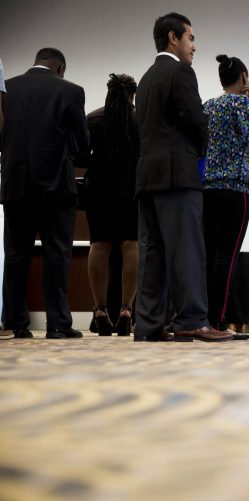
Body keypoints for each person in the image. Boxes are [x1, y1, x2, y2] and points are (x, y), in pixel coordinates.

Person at [134, 12, 233, 342]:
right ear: (173, 38)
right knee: (188, 250)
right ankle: (192, 320)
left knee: (153, 254)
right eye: (191, 38)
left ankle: (148, 325)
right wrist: (201, 151)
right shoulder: (181, 71)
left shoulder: (147, 77)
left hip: (148, 177)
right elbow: (196, 120)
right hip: (178, 174)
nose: (194, 46)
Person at [0, 48, 88, 339]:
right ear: (61, 67)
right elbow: (81, 144)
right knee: (57, 254)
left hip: (16, 184)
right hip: (56, 188)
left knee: (16, 255)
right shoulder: (71, 91)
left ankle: (15, 323)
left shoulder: (7, 89)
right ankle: (58, 324)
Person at [203, 54, 249, 332]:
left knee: (206, 257)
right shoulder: (243, 104)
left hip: (206, 190)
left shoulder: (207, 105)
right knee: (227, 258)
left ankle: (200, 319)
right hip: (234, 192)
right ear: (243, 78)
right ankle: (218, 321)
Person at [81, 74, 140, 337]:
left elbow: (80, 154)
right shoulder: (140, 118)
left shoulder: (93, 118)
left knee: (99, 244)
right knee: (131, 244)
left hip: (99, 189)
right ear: (132, 95)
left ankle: (100, 310)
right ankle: (127, 309)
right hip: (132, 187)